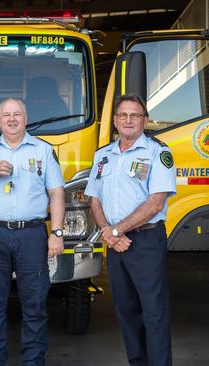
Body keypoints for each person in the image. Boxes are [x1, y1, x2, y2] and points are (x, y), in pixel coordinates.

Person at [0, 98, 65, 365]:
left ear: (25, 118)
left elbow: (56, 193)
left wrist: (56, 232)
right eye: (6, 115)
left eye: (17, 114)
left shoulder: (43, 150)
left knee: (35, 306)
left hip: (32, 235)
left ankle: (33, 362)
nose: (12, 119)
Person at [84, 94, 176, 366]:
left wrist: (115, 231)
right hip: (116, 246)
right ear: (114, 121)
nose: (128, 120)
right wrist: (107, 231)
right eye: (122, 115)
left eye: (134, 115)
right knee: (126, 311)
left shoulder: (158, 153)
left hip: (146, 242)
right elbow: (95, 199)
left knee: (154, 313)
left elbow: (156, 201)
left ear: (145, 121)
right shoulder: (103, 156)